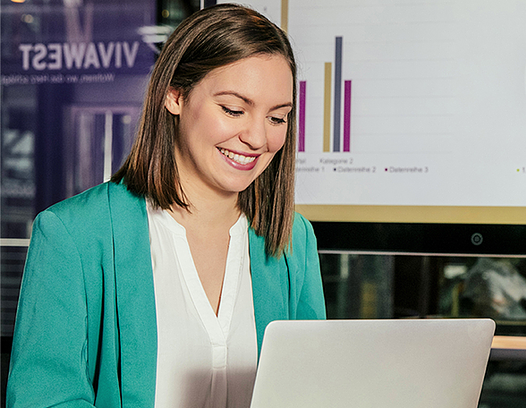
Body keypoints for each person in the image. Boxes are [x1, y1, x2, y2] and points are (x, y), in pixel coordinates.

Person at [6, 5, 325, 407]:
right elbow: (43, 399)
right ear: (175, 95)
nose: (258, 138)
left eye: (277, 118)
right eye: (233, 109)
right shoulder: (75, 234)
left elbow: (313, 390)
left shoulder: (293, 239)